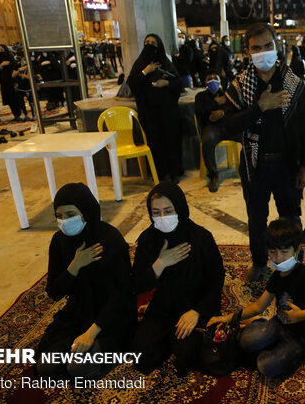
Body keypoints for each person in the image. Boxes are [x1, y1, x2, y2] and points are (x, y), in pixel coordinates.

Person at [224, 23, 305, 282]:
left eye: (268, 46)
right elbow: (229, 125)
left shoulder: (294, 84)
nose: (263, 52)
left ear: (277, 47)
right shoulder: (240, 86)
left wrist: (304, 166)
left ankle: (293, 260)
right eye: (256, 48)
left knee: (291, 216)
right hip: (256, 166)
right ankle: (260, 262)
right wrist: (259, 108)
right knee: (256, 218)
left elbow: (304, 128)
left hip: (287, 164)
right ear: (248, 52)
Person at [207, 217, 305, 378]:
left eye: (284, 252)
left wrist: (300, 316)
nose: (278, 257)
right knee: (245, 341)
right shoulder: (277, 276)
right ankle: (265, 332)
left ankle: (298, 352)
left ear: (296, 251)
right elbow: (258, 307)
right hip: (279, 324)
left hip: (301, 338)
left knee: (265, 367)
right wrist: (228, 318)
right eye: (273, 252)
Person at [36, 183, 136, 379]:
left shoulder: (110, 239)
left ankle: (113, 349)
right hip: (78, 313)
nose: (64, 221)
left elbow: (122, 294)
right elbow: (54, 292)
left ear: (86, 211)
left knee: (78, 368)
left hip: (112, 318)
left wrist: (92, 332)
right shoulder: (59, 241)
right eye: (59, 216)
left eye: (71, 214)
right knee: (46, 369)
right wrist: (74, 266)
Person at [130, 182, 224, 376]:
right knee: (142, 357)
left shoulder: (201, 238)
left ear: (179, 208)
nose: (162, 217)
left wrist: (197, 311)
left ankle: (174, 339)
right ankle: (166, 338)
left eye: (168, 211)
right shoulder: (148, 241)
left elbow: (216, 279)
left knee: (186, 357)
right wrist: (160, 264)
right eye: (156, 212)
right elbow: (137, 285)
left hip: (195, 306)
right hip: (162, 308)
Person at [127, 34, 184, 183]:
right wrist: (146, 71)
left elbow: (178, 83)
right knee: (155, 142)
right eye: (147, 42)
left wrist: (166, 84)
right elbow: (132, 83)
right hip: (150, 113)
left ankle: (174, 172)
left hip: (168, 111)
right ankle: (159, 173)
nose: (150, 45)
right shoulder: (140, 64)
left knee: (171, 141)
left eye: (153, 43)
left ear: (159, 46)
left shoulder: (166, 63)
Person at [195, 69, 239, 192]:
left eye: (216, 78)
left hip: (228, 126)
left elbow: (235, 109)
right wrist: (214, 102)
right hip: (211, 128)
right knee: (207, 141)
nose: (213, 81)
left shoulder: (228, 93)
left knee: (247, 134)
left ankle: (248, 168)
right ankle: (213, 175)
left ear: (220, 81)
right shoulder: (200, 96)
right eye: (210, 79)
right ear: (205, 82)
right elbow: (199, 113)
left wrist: (223, 112)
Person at [0, 45, 22, 121]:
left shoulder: (11, 58)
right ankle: (15, 115)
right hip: (4, 82)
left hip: (12, 81)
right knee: (9, 99)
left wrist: (16, 82)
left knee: (16, 98)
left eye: (2, 50)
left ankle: (19, 114)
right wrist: (1, 65)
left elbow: (15, 70)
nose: (0, 52)